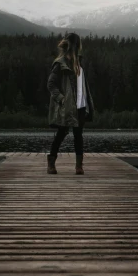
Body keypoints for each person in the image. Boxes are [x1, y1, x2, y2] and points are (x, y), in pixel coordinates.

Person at [46, 32, 95, 175]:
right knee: (61, 133)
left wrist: (87, 104)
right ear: (76, 45)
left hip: (81, 106)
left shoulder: (79, 63)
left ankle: (79, 166)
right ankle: (51, 163)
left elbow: (82, 86)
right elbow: (51, 84)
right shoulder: (60, 64)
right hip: (67, 106)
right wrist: (61, 99)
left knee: (78, 135)